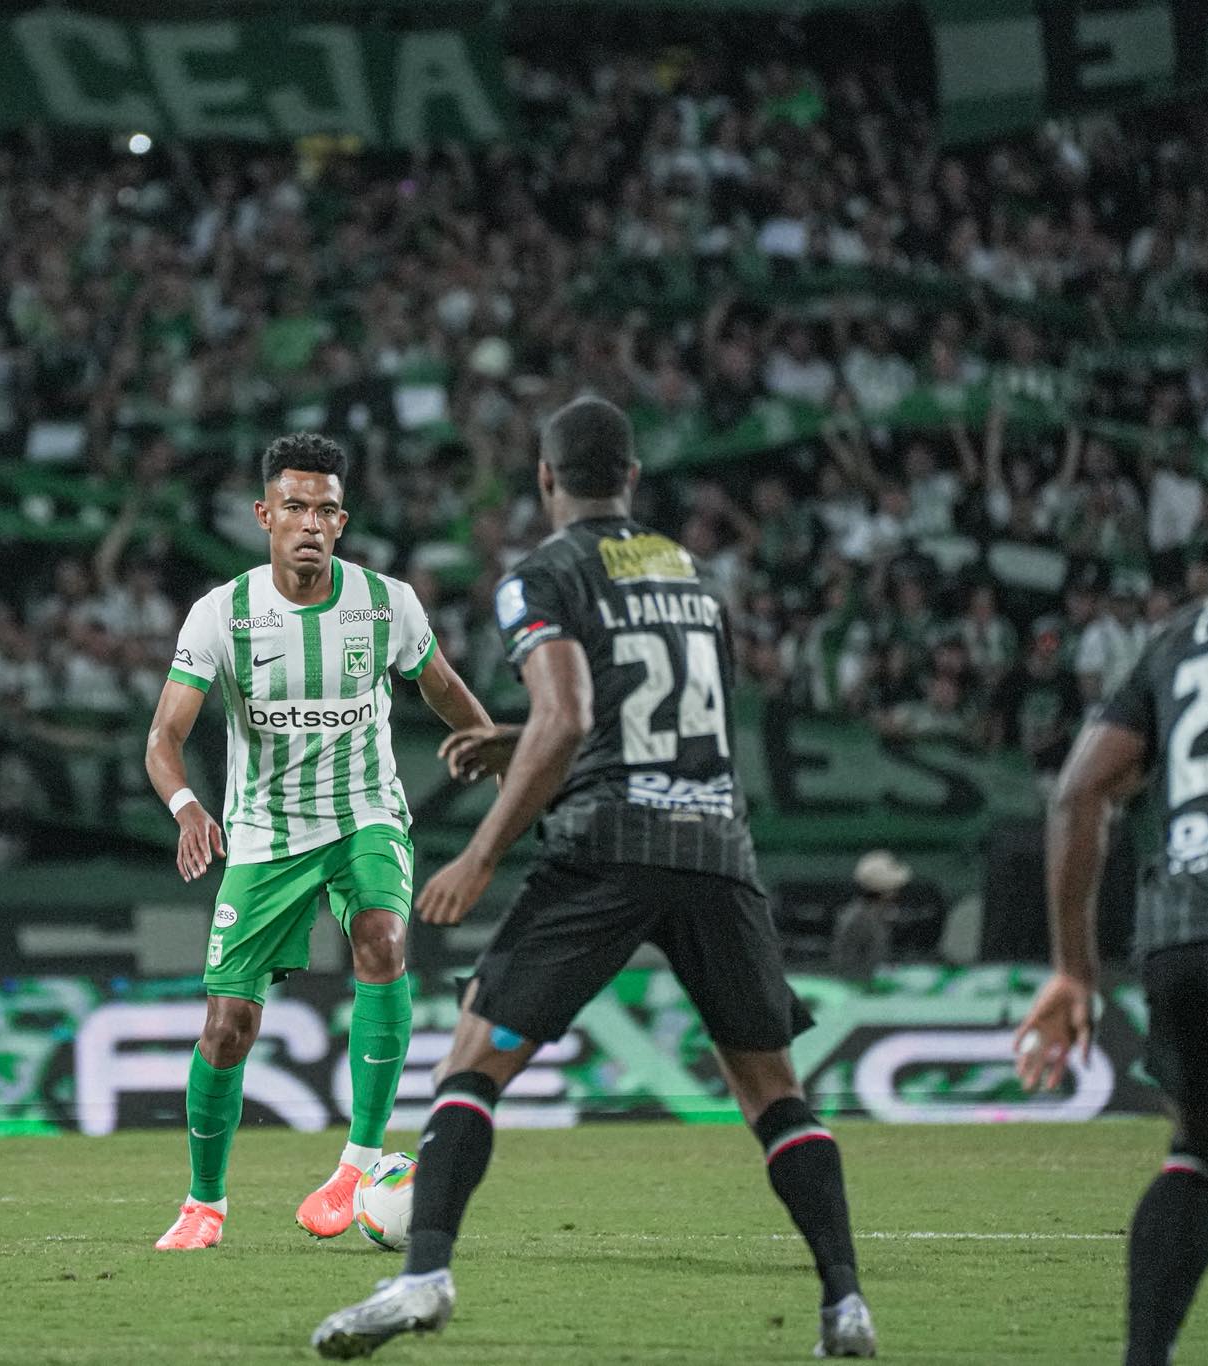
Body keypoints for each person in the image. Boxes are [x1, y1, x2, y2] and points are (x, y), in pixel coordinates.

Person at [311, 397, 876, 1359]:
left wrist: (482, 851)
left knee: (472, 1061)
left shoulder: (543, 573)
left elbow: (571, 716)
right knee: (774, 1093)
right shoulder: (693, 576)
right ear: (634, 477)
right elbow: (663, 716)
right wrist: (519, 739)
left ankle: (423, 1280)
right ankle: (845, 1305)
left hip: (608, 844)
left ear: (545, 478)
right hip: (717, 846)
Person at [142, 431, 494, 1250]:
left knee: (383, 938)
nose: (309, 523)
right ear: (264, 515)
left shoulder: (386, 603)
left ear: (343, 521)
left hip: (365, 814)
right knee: (227, 1025)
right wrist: (188, 808)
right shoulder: (222, 614)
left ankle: (356, 1165)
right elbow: (164, 736)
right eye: (293, 507)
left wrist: (509, 758)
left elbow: (444, 689)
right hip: (265, 835)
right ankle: (203, 1205)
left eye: (324, 510)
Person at [1014, 448, 1208, 1366]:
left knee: (1205, 1150)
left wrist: (1073, 970)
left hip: (1186, 928)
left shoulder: (1187, 628)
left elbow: (1077, 793)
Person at [829, 850, 911, 979]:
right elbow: (847, 964)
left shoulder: (880, 913)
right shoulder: (857, 919)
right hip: (857, 983)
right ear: (887, 892)